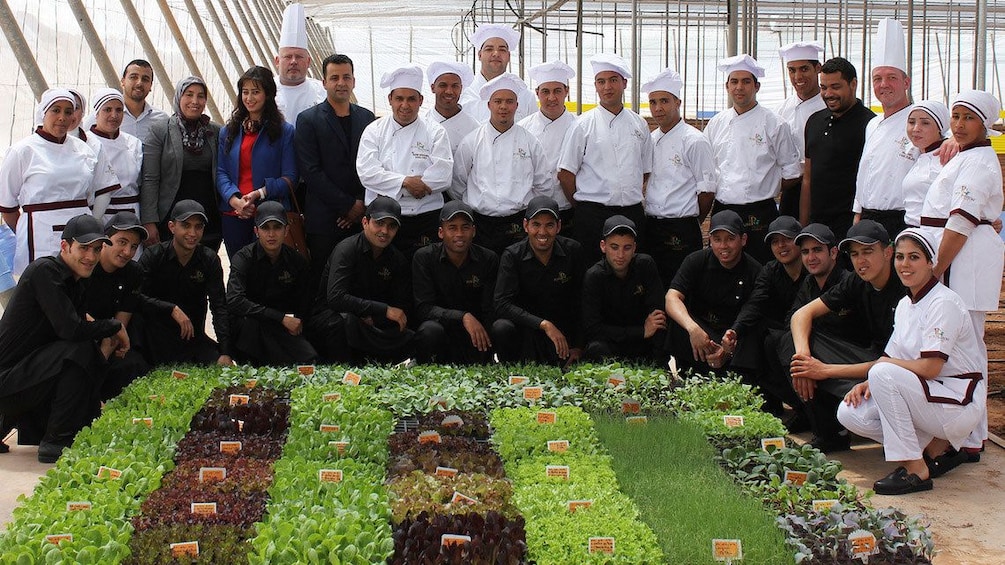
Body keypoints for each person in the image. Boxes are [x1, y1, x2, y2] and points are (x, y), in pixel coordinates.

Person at [838, 229, 985, 494]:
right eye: (901, 257)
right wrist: (866, 382)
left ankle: (915, 468)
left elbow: (930, 368)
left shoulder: (944, 303)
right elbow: (891, 356)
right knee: (850, 413)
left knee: (882, 372)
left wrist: (880, 372)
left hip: (957, 400)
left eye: (914, 257)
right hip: (929, 397)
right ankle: (934, 448)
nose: (905, 265)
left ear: (931, 263)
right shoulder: (907, 303)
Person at [0, 215, 124, 463]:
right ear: (65, 246)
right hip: (9, 381)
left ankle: (64, 432)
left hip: (28, 377)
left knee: (85, 354)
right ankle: (56, 441)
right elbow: (71, 331)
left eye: (97, 250)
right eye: (84, 248)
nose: (90, 257)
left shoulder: (76, 283)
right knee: (76, 351)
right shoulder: (44, 271)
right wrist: (114, 325)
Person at [920, 89, 1004, 454]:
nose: (959, 124)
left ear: (984, 124)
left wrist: (937, 268)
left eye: (969, 118)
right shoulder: (966, 156)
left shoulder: (979, 163)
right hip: (960, 257)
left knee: (967, 347)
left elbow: (961, 221)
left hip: (962, 260)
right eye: (955, 116)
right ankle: (971, 430)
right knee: (962, 345)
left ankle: (971, 435)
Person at [785, 220, 906, 452]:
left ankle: (917, 445)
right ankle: (830, 432)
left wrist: (823, 370)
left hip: (899, 369)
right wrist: (803, 360)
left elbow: (897, 362)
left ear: (888, 252)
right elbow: (800, 316)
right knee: (799, 339)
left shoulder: (904, 287)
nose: (861, 261)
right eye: (855, 254)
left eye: (868, 252)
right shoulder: (856, 280)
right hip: (872, 357)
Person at [0, 89, 118, 276]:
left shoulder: (83, 149)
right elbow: (7, 206)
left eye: (68, 112)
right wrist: (31, 227)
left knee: (77, 292)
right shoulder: (23, 151)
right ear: (43, 113)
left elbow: (96, 192)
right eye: (56, 110)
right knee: (43, 291)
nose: (63, 117)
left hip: (81, 238)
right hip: (38, 238)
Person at [704, 54, 801, 264]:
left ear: (756, 86)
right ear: (727, 86)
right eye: (734, 81)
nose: (739, 87)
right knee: (722, 266)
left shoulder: (775, 123)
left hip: (760, 213)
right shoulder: (716, 124)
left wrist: (765, 187)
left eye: (746, 81)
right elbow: (707, 169)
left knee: (761, 267)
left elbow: (792, 173)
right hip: (723, 209)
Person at [558, 53, 653, 260]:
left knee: (631, 271)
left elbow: (644, 171)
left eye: (613, 80)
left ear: (624, 83)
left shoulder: (639, 124)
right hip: (593, 216)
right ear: (596, 85)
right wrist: (583, 206)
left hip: (632, 212)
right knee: (591, 270)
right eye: (601, 81)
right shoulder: (582, 125)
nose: (607, 87)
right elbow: (566, 173)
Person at [357, 65, 453, 257]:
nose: (405, 105)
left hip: (426, 215)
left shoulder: (435, 131)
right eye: (399, 98)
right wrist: (406, 182)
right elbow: (367, 173)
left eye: (411, 99)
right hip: (384, 217)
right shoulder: (374, 131)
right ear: (390, 100)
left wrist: (397, 184)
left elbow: (443, 176)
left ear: (421, 101)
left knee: (425, 273)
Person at [451, 73, 550, 255]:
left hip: (518, 224)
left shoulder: (530, 141)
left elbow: (543, 184)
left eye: (509, 101)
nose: (503, 107)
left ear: (517, 106)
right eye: (498, 101)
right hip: (481, 224)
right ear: (489, 105)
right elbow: (458, 183)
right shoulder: (472, 141)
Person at [295, 54, 376, 277]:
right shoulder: (308, 120)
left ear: (353, 81)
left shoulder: (367, 118)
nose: (341, 83)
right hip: (324, 218)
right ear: (324, 82)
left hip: (361, 217)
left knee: (359, 276)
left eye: (346, 77)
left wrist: (359, 203)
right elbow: (310, 171)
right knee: (324, 278)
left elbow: (374, 165)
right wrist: (347, 205)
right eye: (334, 78)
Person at [721, 216, 807, 419]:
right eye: (775, 242)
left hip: (807, 333)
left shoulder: (811, 268)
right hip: (782, 331)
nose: (781, 246)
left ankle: (803, 407)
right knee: (751, 333)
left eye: (787, 239)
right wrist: (736, 329)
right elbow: (755, 302)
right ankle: (760, 400)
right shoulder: (770, 270)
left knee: (771, 342)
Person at [132, 200, 232, 366]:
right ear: (172, 227)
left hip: (192, 338)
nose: (192, 233)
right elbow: (135, 297)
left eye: (198, 227)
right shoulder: (153, 256)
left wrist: (225, 351)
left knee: (219, 365)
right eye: (186, 225)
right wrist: (170, 309)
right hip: (155, 337)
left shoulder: (209, 259)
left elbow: (219, 306)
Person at [314, 196, 413, 363]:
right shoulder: (347, 249)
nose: (384, 231)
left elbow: (401, 306)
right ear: (365, 222)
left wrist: (377, 317)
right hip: (335, 316)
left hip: (372, 321)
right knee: (345, 322)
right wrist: (382, 309)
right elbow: (335, 298)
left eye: (391, 226)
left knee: (407, 332)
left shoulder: (397, 259)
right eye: (379, 223)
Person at [641, 68, 715, 286]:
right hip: (652, 226)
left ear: (678, 102)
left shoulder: (695, 141)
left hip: (681, 228)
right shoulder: (650, 140)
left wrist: (692, 221)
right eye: (653, 102)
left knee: (682, 287)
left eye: (664, 101)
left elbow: (707, 192)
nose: (658, 108)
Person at [664, 210, 762, 377]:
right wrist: (693, 329)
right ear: (710, 240)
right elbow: (671, 298)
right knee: (675, 323)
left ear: (743, 240)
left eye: (730, 239)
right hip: (700, 336)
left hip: (732, 337)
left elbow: (753, 311)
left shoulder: (755, 271)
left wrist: (728, 347)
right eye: (717, 240)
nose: (723, 246)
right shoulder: (695, 261)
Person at [493, 196, 585, 367]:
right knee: (501, 327)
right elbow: (501, 303)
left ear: (558, 226)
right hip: (527, 328)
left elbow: (580, 301)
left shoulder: (573, 251)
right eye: (536, 224)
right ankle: (509, 368)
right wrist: (543, 324)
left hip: (561, 331)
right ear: (525, 225)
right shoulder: (512, 255)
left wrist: (578, 345)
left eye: (549, 225)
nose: (542, 232)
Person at [217, 66, 297, 258]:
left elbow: (290, 177)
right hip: (234, 214)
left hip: (270, 216)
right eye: (245, 92)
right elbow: (221, 172)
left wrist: (259, 193)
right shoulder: (228, 132)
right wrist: (235, 200)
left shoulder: (284, 132)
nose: (249, 98)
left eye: (256, 92)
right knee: (239, 270)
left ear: (268, 94)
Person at [226, 201, 317, 364]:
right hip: (250, 326)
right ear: (256, 231)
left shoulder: (297, 261)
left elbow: (305, 303)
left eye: (277, 227)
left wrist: (296, 325)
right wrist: (280, 318)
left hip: (279, 328)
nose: (271, 234)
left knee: (308, 358)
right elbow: (234, 301)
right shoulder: (243, 258)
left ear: (286, 230)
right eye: (265, 228)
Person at [412, 201, 501, 364]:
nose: (459, 233)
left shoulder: (488, 259)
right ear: (441, 232)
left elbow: (490, 309)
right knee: (429, 330)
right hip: (442, 332)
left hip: (475, 334)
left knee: (500, 326)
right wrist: (462, 317)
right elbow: (423, 308)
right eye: (452, 227)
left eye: (465, 227)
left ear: (473, 231)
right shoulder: (424, 257)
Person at [140, 76, 222, 251]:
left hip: (208, 218)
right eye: (189, 94)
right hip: (171, 218)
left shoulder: (215, 131)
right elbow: (150, 178)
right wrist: (149, 221)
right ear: (178, 97)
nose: (195, 101)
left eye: (200, 96)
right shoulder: (160, 130)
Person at [800, 57, 876, 239]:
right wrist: (803, 226)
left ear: (853, 84)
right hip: (817, 227)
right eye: (824, 88)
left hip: (851, 227)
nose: (828, 94)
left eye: (835, 87)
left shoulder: (870, 124)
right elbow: (808, 179)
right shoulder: (814, 121)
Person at [853, 18, 915, 238]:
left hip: (904, 220)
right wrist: (858, 213)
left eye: (891, 78)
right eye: (877, 78)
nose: (883, 84)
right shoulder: (872, 124)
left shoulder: (920, 119)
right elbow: (866, 170)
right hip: (868, 219)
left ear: (906, 82)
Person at [83, 212, 150, 401]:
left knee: (134, 366)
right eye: (122, 242)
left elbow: (119, 325)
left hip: (110, 341)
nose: (128, 252)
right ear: (105, 240)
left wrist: (101, 361)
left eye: (134, 246)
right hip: (81, 335)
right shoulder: (86, 266)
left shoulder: (134, 272)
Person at [581, 215, 666, 363]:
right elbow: (593, 328)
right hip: (613, 341)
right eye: (614, 247)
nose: (620, 255)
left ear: (634, 248)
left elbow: (657, 312)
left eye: (627, 248)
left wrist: (648, 330)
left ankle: (662, 370)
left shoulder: (645, 265)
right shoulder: (594, 276)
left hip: (644, 340)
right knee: (595, 348)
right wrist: (640, 332)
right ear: (603, 246)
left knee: (664, 333)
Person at [518, 61, 578, 226]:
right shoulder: (522, 129)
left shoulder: (580, 127)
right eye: (545, 91)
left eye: (557, 91)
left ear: (566, 91)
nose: (551, 98)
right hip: (532, 212)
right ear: (537, 93)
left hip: (568, 209)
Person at [775, 42, 826, 218]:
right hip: (791, 187)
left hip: (822, 186)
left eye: (804, 69)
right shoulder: (783, 109)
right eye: (792, 70)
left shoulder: (828, 106)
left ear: (817, 68)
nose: (798, 76)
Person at [459, 23, 537, 123]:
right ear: (479, 55)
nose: (496, 54)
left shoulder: (525, 96)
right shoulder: (464, 94)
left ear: (508, 56)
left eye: (502, 49)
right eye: (489, 49)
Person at [89, 88, 144, 226]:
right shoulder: (86, 143)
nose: (114, 115)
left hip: (131, 214)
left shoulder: (133, 143)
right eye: (107, 110)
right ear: (97, 113)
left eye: (119, 110)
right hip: (99, 214)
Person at [274, 3, 326, 127]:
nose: (293, 61)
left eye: (299, 57)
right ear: (277, 61)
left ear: (308, 61)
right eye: (287, 56)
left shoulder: (322, 92)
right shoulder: (264, 91)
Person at [901, 101, 949, 228]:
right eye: (911, 122)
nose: (916, 129)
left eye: (925, 123)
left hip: (935, 234)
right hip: (911, 231)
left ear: (940, 127)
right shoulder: (915, 154)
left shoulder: (949, 158)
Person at [425, 61, 480, 154]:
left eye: (455, 86)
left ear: (461, 89)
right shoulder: (423, 123)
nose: (449, 91)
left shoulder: (474, 128)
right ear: (433, 88)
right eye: (443, 85)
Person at [117, 59, 168, 141]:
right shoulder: (104, 117)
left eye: (145, 79)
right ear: (123, 81)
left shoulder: (162, 120)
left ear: (151, 85)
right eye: (133, 77)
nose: (139, 83)